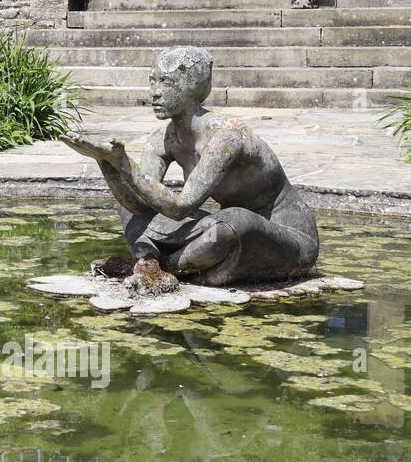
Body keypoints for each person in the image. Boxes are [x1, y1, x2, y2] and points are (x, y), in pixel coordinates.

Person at [59, 46, 319, 288]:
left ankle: (154, 268)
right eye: (153, 81)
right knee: (129, 205)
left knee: (235, 221)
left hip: (286, 240)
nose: (155, 92)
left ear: (193, 86)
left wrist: (123, 163)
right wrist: (106, 163)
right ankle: (148, 262)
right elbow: (137, 205)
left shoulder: (227, 136)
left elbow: (180, 208)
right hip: (221, 229)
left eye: (166, 82)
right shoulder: (163, 139)